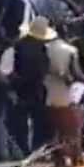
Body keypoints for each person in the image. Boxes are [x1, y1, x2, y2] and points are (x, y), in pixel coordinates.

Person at [44, 24, 84, 167]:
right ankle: (76, 157)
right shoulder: (71, 50)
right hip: (66, 94)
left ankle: (58, 161)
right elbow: (76, 73)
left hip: (49, 92)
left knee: (55, 130)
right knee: (73, 128)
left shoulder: (45, 49)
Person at [10, 17, 51, 156]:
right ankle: (37, 151)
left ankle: (23, 151)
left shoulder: (18, 45)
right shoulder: (42, 48)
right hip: (36, 88)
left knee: (20, 124)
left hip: (21, 88)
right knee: (39, 122)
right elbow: (45, 69)